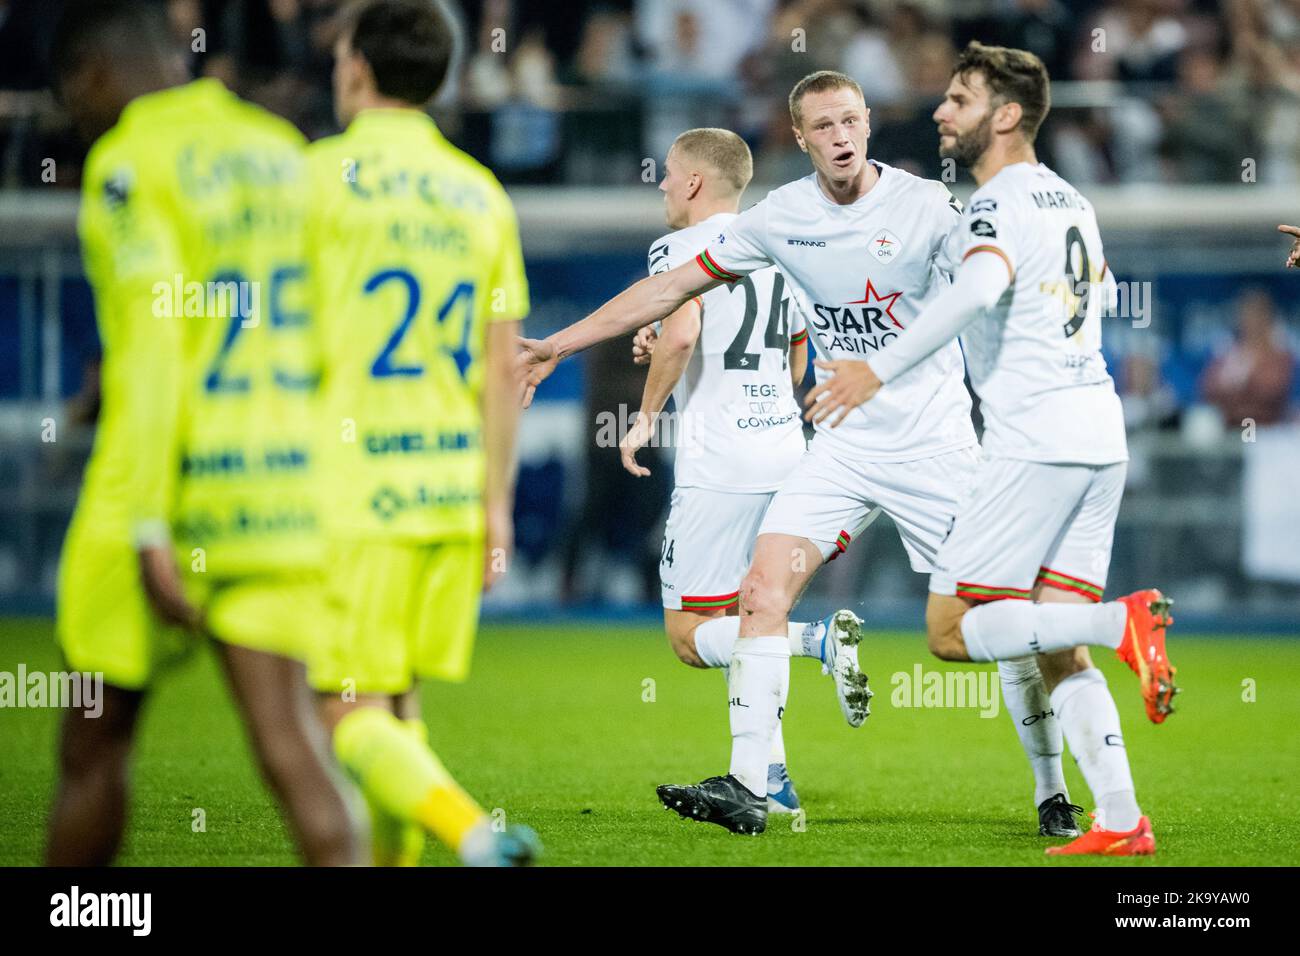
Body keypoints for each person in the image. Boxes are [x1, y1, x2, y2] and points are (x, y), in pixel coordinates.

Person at [520, 69, 1083, 840]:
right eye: (824, 126)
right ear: (801, 137)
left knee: (989, 619)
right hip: (838, 451)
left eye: (851, 120)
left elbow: (1000, 274)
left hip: (937, 448)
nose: (841, 135)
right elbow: (668, 295)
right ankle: (752, 786)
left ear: (869, 124)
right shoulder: (781, 217)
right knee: (759, 593)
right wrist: (557, 342)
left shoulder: (925, 206)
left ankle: (1052, 790)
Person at [804, 42, 1176, 856]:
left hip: (1034, 442)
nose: (941, 111)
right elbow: (1100, 292)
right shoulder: (1071, 198)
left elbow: (976, 291)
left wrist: (875, 369)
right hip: (1097, 437)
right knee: (1052, 639)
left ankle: (1125, 623)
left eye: (960, 100)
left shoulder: (996, 202)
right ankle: (1120, 818)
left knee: (947, 627)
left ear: (1005, 116)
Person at [48, 0, 358, 866]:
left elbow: (153, 348)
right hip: (275, 484)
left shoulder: (126, 165)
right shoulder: (280, 151)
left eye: (68, 95)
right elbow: (326, 329)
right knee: (292, 743)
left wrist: (149, 523)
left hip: (159, 492)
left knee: (93, 747)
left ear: (92, 75)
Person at [305, 0, 538, 866]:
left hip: (352, 491)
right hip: (450, 490)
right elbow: (500, 367)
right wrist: (498, 507)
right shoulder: (480, 194)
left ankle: (473, 836)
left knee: (341, 709)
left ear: (358, 68)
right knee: (394, 708)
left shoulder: (317, 180)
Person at [621, 126, 869, 817]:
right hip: (786, 455)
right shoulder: (779, 247)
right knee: (751, 613)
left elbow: (681, 332)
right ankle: (773, 780)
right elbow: (795, 356)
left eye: (669, 173)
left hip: (719, 465)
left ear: (697, 182)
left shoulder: (679, 248)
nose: (664, 185)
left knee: (690, 637)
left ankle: (813, 641)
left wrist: (645, 416)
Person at [1201, 288, 1295, 429]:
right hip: (1229, 429)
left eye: (1256, 314)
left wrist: (1234, 391)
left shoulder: (1280, 354)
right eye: (1246, 314)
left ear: (1267, 317)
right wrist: (1242, 392)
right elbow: (1207, 388)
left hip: (1266, 431)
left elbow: (1269, 391)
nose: (1250, 321)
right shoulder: (1227, 352)